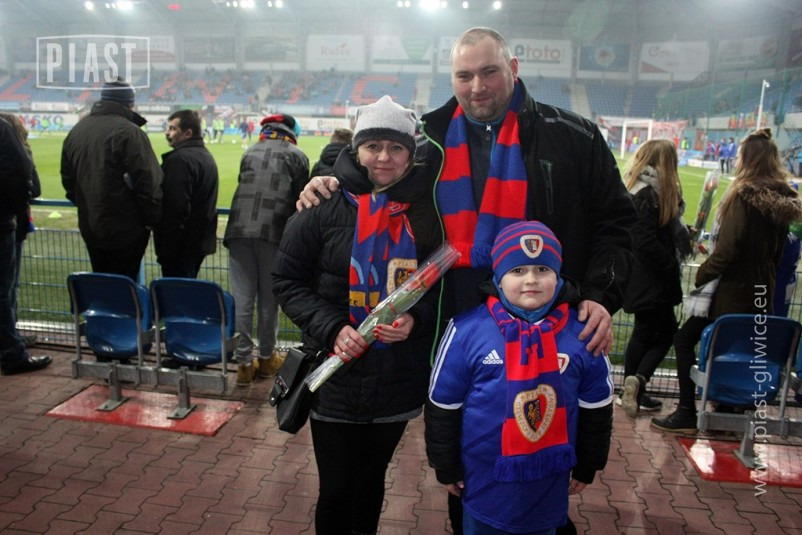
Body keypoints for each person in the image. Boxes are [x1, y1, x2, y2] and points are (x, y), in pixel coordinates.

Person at [298, 27, 634, 534]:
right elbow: (374, 170)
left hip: (546, 320)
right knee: (469, 451)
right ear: (451, 79)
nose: (477, 86)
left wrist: (601, 296)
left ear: (513, 69)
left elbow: (618, 223)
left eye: (489, 72)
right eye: (464, 75)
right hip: (455, 324)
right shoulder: (429, 138)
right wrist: (328, 179)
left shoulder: (574, 136)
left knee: (544, 437)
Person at [272, 95, 440, 535]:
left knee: (370, 483)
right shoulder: (321, 205)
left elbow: (442, 287)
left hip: (396, 378)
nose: (383, 157)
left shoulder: (428, 212)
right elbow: (286, 281)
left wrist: (417, 320)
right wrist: (332, 329)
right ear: (356, 149)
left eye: (396, 147)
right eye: (373, 146)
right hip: (335, 376)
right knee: (335, 489)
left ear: (411, 153)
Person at [426, 220, 613, 534]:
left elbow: (597, 406)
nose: (531, 280)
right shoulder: (466, 330)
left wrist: (588, 463)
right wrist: (445, 466)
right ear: (498, 277)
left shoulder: (584, 335)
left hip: (547, 486)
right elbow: (443, 405)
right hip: (482, 479)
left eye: (543, 269)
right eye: (517, 270)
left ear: (558, 275)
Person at [651, 128, 802, 433]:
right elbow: (778, 252)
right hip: (764, 286)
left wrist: (703, 273)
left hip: (733, 288)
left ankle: (686, 412)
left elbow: (729, 248)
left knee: (686, 339)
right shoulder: (782, 201)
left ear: (746, 158)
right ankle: (731, 411)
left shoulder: (743, 196)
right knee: (748, 345)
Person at [224, 113, 309, 386]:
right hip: (273, 233)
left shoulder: (249, 151)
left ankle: (243, 364)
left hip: (237, 231)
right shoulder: (297, 156)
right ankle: (267, 358)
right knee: (269, 301)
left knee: (243, 300)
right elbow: (301, 202)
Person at [61, 78, 162, 282]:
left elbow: (69, 183)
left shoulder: (77, 131)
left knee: (103, 283)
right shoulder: (129, 132)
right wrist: (151, 219)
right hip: (126, 229)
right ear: (129, 103)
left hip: (91, 226)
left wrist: (89, 208)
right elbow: (148, 182)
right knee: (124, 287)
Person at [619, 139, 690, 418]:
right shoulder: (648, 194)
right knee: (662, 332)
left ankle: (634, 385)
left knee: (647, 331)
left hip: (642, 276)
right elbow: (644, 240)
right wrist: (669, 263)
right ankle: (637, 382)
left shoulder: (642, 190)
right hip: (652, 278)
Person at [0, 114, 51, 375]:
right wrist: (16, 211)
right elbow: (23, 177)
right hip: (3, 224)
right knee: (4, 291)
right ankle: (12, 353)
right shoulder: (4, 131)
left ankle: (11, 344)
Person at [154, 109, 219, 278]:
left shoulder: (179, 160)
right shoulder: (205, 156)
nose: (167, 133)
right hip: (198, 241)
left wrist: (168, 245)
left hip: (181, 245)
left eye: (173, 129)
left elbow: (176, 207)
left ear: (188, 133)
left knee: (175, 289)